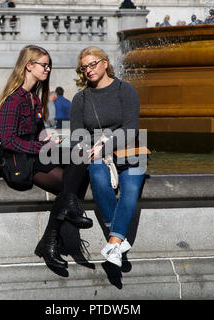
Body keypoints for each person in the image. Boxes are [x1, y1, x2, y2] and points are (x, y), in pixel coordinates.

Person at [0, 45, 93, 270]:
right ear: (29, 66)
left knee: (81, 155)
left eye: (49, 66)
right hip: (18, 160)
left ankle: (52, 235)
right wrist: (41, 147)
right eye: (44, 65)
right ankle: (54, 236)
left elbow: (36, 133)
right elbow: (7, 140)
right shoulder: (13, 99)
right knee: (70, 184)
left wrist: (48, 141)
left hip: (36, 153)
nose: (47, 69)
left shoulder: (33, 99)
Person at [70, 46, 147, 267]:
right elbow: (77, 137)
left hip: (130, 151)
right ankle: (118, 238)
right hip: (97, 155)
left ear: (105, 63)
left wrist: (106, 146)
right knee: (98, 177)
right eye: (84, 67)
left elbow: (131, 129)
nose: (88, 70)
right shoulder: (81, 99)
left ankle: (113, 241)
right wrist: (86, 149)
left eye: (93, 64)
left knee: (130, 189)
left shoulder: (125, 90)